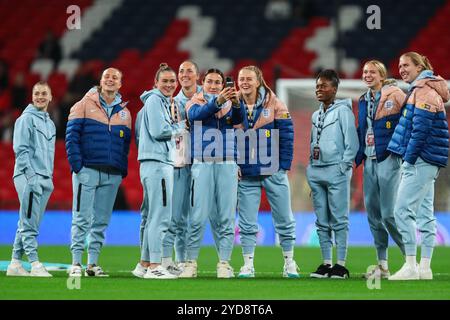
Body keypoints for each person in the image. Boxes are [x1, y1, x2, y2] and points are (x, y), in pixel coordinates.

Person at [387, 52, 449, 281]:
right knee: (425, 215)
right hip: (428, 160)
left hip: (420, 160)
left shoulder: (422, 91)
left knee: (401, 211)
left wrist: (409, 160)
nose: (402, 69)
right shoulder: (424, 90)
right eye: (400, 65)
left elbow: (420, 132)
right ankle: (425, 267)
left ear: (419, 66)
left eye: (406, 65)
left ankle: (410, 266)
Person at [66, 68, 132, 277]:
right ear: (101, 81)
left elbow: (125, 145)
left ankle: (92, 264)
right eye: (107, 77)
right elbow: (71, 138)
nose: (111, 80)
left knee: (101, 221)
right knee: (82, 218)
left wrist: (120, 170)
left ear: (120, 84)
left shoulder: (125, 112)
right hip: (87, 170)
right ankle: (76, 263)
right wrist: (78, 166)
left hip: (112, 174)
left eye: (115, 77)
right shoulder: (83, 105)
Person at [235, 65, 299, 278]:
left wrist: (282, 168)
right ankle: (247, 265)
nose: (244, 82)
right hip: (246, 172)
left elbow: (287, 137)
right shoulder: (233, 104)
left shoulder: (276, 104)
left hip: (273, 171)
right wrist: (234, 164)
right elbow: (227, 138)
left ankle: (290, 263)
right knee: (246, 221)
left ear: (259, 81)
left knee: (284, 219)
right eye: (241, 78)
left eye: (249, 79)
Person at [179, 68, 243, 278]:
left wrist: (235, 102)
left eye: (218, 83)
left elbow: (238, 119)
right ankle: (191, 262)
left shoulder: (228, 102)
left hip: (227, 162)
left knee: (226, 216)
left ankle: (224, 263)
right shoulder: (193, 102)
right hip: (202, 163)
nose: (214, 86)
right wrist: (217, 101)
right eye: (210, 82)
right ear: (202, 83)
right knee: (197, 216)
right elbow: (197, 116)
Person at [135, 63, 187, 279]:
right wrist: (180, 127)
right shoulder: (156, 101)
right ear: (155, 83)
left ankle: (145, 263)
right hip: (158, 164)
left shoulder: (155, 102)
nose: (169, 85)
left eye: (172, 81)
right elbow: (159, 131)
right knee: (161, 215)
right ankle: (156, 265)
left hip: (151, 163)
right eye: (164, 81)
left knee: (151, 215)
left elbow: (140, 131)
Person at [355, 60, 406, 279]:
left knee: (389, 214)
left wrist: (401, 150)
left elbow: (407, 122)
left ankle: (411, 260)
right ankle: (383, 265)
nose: (367, 75)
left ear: (382, 75)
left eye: (372, 72)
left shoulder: (395, 94)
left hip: (389, 158)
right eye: (365, 72)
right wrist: (356, 156)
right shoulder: (363, 100)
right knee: (374, 215)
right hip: (369, 160)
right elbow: (362, 129)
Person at [306, 69, 358, 279]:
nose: (319, 89)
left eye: (324, 86)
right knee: (321, 220)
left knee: (339, 219)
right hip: (316, 171)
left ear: (334, 89)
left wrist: (343, 168)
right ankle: (327, 263)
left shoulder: (344, 111)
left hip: (336, 170)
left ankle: (341, 264)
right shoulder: (315, 115)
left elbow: (351, 143)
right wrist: (310, 168)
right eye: (318, 86)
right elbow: (311, 143)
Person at [6, 81, 56, 277]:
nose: (40, 96)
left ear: (51, 97)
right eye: (37, 93)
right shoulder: (25, 119)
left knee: (28, 222)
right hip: (29, 177)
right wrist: (31, 176)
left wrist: (48, 177)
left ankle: (15, 263)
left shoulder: (50, 123)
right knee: (29, 222)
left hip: (45, 178)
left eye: (44, 93)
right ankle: (35, 263)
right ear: (32, 96)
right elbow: (21, 150)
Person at [160, 60, 202, 275]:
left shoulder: (207, 98)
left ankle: (224, 261)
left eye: (189, 71)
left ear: (197, 76)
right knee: (176, 216)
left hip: (205, 164)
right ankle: (179, 260)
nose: (185, 74)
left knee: (200, 217)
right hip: (181, 163)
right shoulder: (171, 102)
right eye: (181, 71)